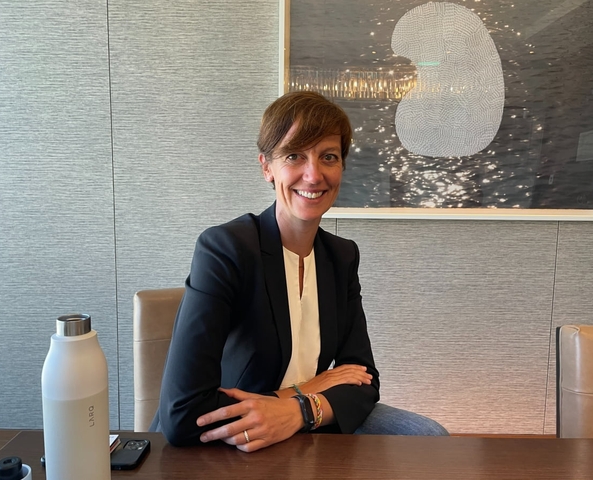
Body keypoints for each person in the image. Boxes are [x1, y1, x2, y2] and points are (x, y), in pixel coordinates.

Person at [151, 91, 448, 452]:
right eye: (294, 155)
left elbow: (364, 380)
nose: (313, 174)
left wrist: (301, 411)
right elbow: (183, 414)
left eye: (328, 157)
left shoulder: (342, 256)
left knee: (430, 438)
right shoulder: (226, 248)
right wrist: (305, 390)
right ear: (267, 167)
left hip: (313, 417)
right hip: (237, 428)